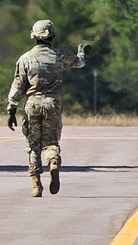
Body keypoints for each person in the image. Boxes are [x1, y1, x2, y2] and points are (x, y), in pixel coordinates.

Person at [6, 19, 86, 197]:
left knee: (33, 145)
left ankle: (36, 185)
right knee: (51, 142)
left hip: (32, 103)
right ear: (52, 35)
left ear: (34, 36)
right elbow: (79, 63)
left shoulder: (25, 58)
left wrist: (11, 109)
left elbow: (18, 86)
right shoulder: (60, 55)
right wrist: (81, 53)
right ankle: (53, 162)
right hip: (53, 103)